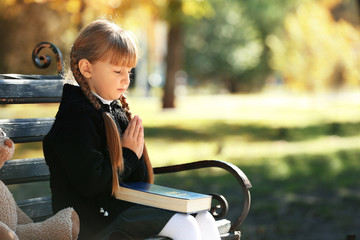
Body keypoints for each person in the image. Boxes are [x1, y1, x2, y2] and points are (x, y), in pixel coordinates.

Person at [43, 19, 221, 240]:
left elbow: (139, 181)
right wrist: (127, 154)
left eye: (129, 71)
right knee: (184, 225)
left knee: (203, 217)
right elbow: (92, 184)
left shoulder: (114, 110)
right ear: (86, 68)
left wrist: (135, 152)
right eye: (118, 70)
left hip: (119, 210)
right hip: (89, 223)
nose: (126, 80)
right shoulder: (75, 119)